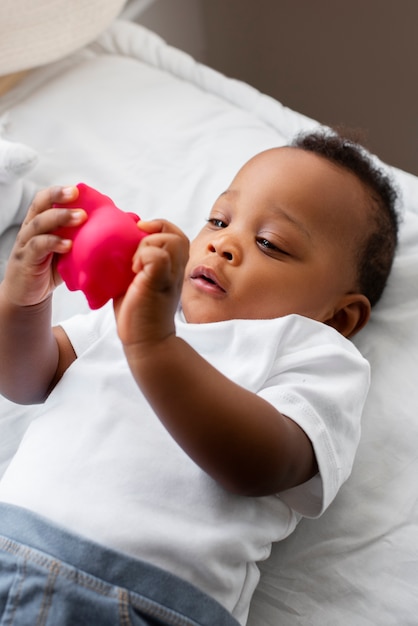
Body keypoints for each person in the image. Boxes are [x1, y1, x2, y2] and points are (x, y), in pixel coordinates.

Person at [0, 130, 398, 626]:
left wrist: (153, 346)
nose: (223, 243)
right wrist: (24, 297)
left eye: (270, 243)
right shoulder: (135, 307)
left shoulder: (314, 353)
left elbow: (261, 465)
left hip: (142, 599)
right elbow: (23, 380)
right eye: (218, 220)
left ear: (338, 318)